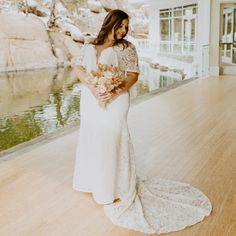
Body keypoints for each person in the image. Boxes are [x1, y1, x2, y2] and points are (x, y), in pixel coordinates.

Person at [72, 9, 212, 234]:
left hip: (115, 100)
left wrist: (113, 90)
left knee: (113, 139)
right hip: (91, 100)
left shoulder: (126, 47)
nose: (123, 31)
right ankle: (95, 183)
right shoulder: (89, 45)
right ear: (110, 23)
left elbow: (133, 74)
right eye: (121, 26)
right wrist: (93, 87)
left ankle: (114, 188)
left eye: (126, 27)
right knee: (93, 139)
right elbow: (78, 67)